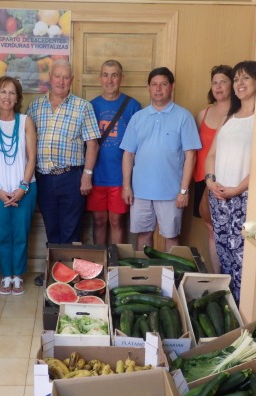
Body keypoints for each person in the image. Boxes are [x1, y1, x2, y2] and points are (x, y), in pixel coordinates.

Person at [26, 60, 100, 286]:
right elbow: (27, 142)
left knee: (71, 229)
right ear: (50, 77)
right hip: (44, 178)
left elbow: (93, 144)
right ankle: (53, 271)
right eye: (57, 76)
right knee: (52, 227)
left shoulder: (82, 106)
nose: (61, 81)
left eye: (66, 77)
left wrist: (87, 174)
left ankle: (69, 275)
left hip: (71, 177)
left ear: (72, 80)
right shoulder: (35, 106)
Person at [121, 67, 201, 251]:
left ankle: (169, 279)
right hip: (140, 191)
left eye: (163, 84)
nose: (158, 89)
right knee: (143, 235)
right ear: (148, 87)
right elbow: (128, 154)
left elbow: (191, 156)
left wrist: (183, 190)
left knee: (171, 237)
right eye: (154, 85)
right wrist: (127, 186)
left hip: (171, 193)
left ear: (172, 87)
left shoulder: (184, 117)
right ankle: (145, 277)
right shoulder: (137, 118)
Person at [205, 60, 256, 305]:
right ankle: (228, 307)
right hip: (218, 197)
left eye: (245, 78)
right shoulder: (230, 117)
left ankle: (242, 309)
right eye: (236, 79)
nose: (239, 83)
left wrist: (237, 189)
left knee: (242, 259)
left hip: (242, 198)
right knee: (224, 253)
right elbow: (212, 154)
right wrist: (210, 181)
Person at [0, 76, 37, 295]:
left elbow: (32, 157)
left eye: (12, 93)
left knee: (21, 234)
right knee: (2, 233)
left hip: (25, 188)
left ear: (17, 98)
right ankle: (6, 276)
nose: (7, 97)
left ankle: (18, 275)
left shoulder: (25, 122)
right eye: (3, 92)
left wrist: (23, 187)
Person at [88, 60, 141, 245]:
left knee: (117, 221)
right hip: (96, 176)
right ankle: (100, 265)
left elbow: (138, 146)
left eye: (114, 75)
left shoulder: (133, 106)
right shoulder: (90, 106)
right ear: (100, 78)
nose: (109, 80)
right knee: (99, 221)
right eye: (105, 75)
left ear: (122, 78)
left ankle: (116, 268)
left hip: (121, 178)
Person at [194, 65, 233, 274]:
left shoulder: (238, 114)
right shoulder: (203, 114)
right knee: (210, 229)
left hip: (227, 181)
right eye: (215, 82)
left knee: (224, 231)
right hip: (202, 179)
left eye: (223, 82)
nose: (218, 86)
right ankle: (216, 275)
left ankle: (227, 276)